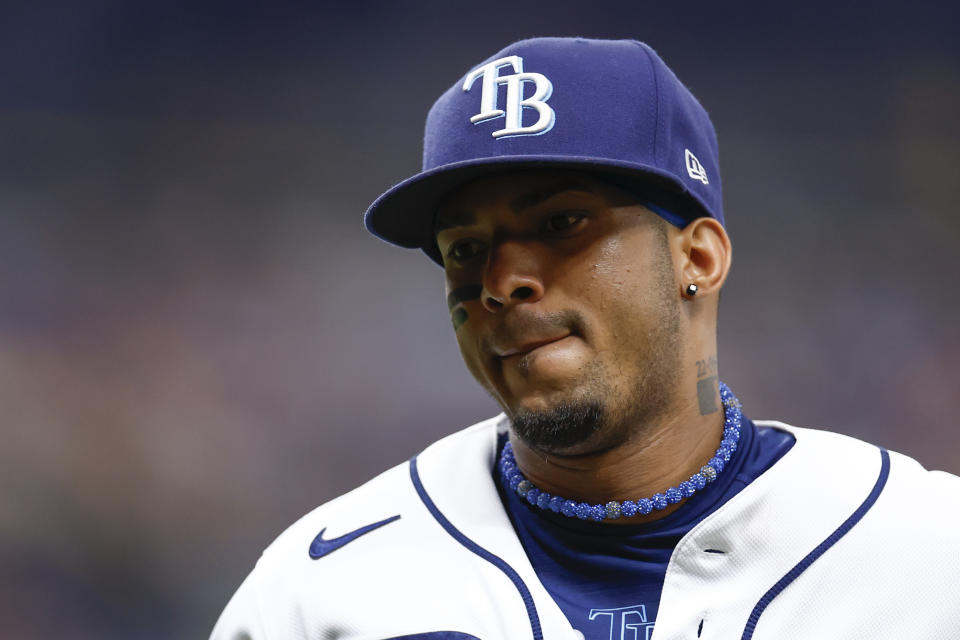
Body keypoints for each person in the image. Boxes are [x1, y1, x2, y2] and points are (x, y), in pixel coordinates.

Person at [211, 37, 959, 640]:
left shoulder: (927, 553)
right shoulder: (321, 587)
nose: (500, 282)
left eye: (560, 224)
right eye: (464, 248)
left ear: (696, 257)